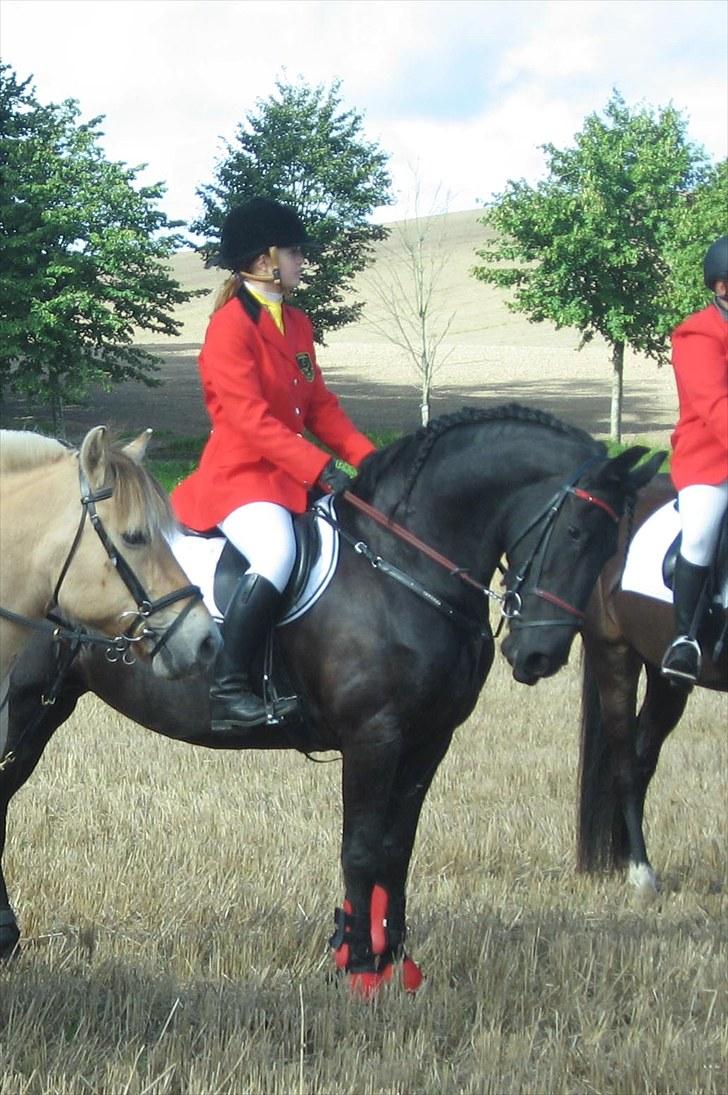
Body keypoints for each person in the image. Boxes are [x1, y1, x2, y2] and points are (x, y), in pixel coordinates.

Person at [172, 198, 376, 729]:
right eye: (294, 252)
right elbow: (249, 420)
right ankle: (229, 689)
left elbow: (320, 407)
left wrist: (371, 460)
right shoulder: (229, 328)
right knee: (277, 552)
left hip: (288, 476)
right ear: (265, 260)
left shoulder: (298, 324)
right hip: (239, 479)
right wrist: (320, 469)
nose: (301, 261)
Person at [661, 234, 728, 683]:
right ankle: (684, 639)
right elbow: (715, 405)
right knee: (702, 531)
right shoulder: (698, 334)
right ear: (722, 288)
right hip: (710, 459)